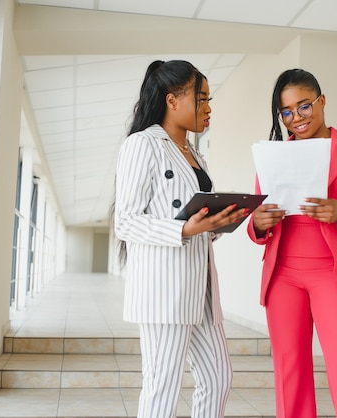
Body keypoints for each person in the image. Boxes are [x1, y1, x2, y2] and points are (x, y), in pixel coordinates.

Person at [247, 68, 337, 418]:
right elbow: (256, 220)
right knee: (290, 381)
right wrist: (258, 223)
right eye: (287, 111)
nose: (296, 117)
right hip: (283, 276)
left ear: (322, 102)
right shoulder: (274, 155)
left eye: (304, 106)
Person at [113, 60, 246, 418]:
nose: (209, 107)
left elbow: (197, 221)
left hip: (200, 286)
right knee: (163, 387)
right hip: (164, 288)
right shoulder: (143, 145)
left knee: (218, 377)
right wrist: (185, 229)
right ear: (173, 101)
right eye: (201, 99)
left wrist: (220, 222)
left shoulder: (195, 155)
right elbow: (125, 222)